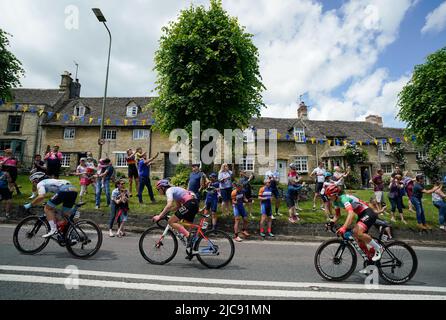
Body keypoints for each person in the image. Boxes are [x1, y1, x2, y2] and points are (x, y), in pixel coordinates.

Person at [325, 184, 384, 264]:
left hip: (368, 212)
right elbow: (337, 215)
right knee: (358, 238)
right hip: (361, 215)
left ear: (335, 195)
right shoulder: (335, 202)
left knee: (357, 232)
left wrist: (344, 227)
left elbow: (351, 213)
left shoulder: (344, 199)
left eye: (329, 196)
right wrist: (331, 223)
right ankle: (369, 259)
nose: (328, 198)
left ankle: (378, 248)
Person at [24, 172, 77, 238]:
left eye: (33, 182)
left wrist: (30, 204)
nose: (33, 185)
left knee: (47, 208)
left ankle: (53, 229)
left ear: (36, 180)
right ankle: (72, 236)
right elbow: (57, 195)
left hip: (64, 190)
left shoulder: (40, 183)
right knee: (65, 216)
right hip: (73, 189)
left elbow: (41, 197)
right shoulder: (51, 181)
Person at [152, 179, 199, 248]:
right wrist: (166, 212)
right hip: (194, 204)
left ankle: (190, 236)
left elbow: (169, 205)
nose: (158, 191)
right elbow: (178, 206)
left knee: (171, 221)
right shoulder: (175, 190)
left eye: (158, 189)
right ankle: (192, 250)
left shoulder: (169, 190)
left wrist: (159, 216)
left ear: (163, 187)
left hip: (190, 204)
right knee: (185, 228)